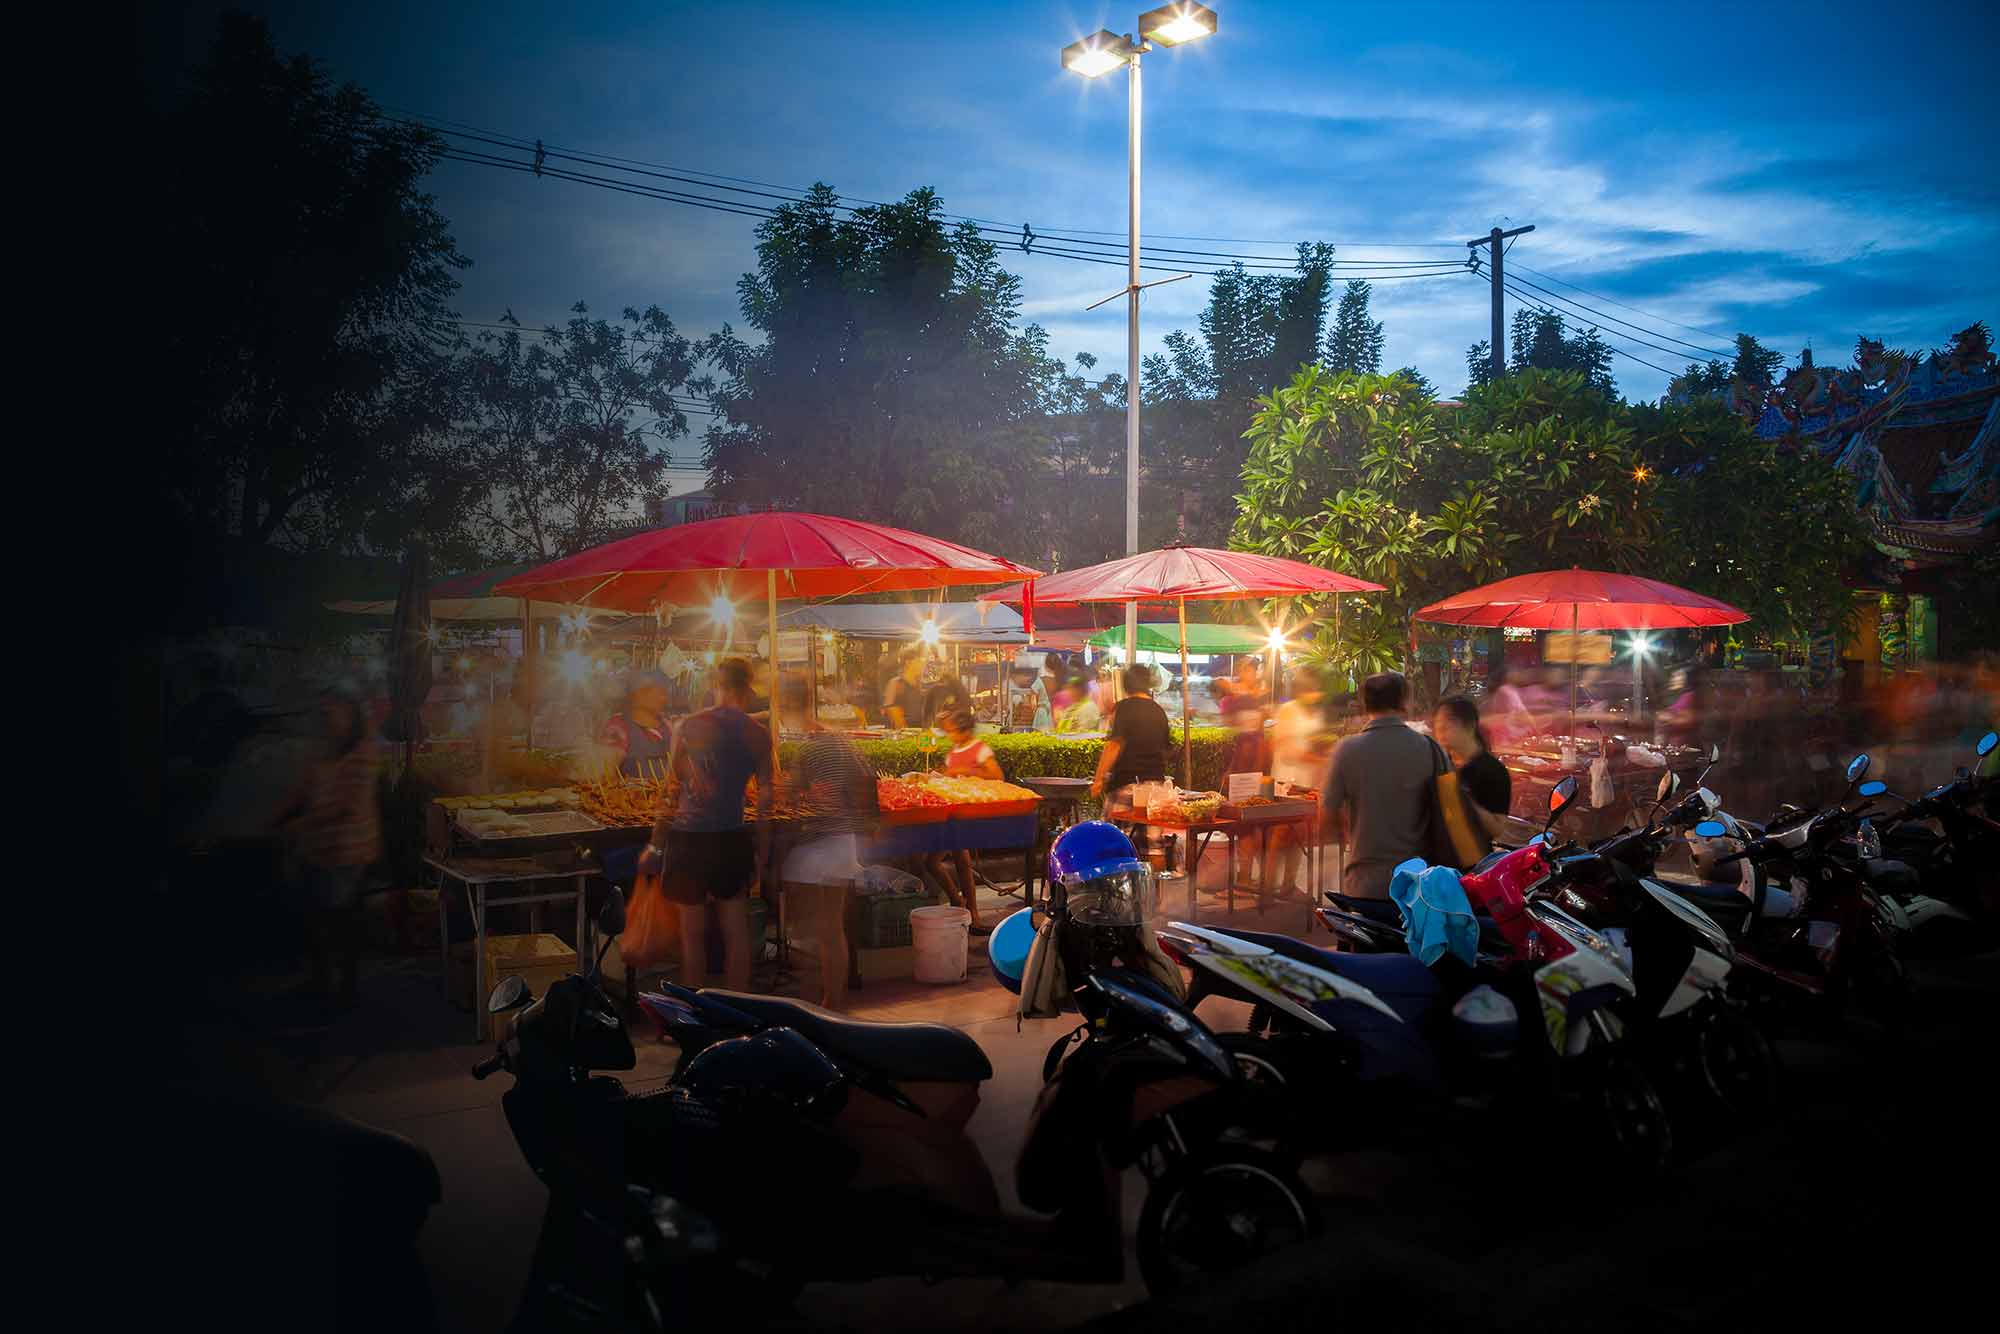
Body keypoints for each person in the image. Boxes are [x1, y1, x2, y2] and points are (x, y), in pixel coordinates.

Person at [639, 657, 772, 991]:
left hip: (688, 840)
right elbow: (766, 804)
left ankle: (694, 1014)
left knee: (691, 936)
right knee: (735, 932)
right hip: (732, 838)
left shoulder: (688, 726)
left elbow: (670, 791)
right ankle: (738, 1010)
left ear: (716, 685)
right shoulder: (758, 734)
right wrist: (763, 853)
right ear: (747, 689)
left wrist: (655, 845)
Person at [278, 685, 382, 1010]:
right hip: (315, 851)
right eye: (325, 711)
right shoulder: (319, 752)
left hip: (349, 852)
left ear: (352, 715)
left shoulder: (363, 753)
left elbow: (346, 807)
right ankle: (322, 983)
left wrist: (298, 824)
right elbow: (301, 791)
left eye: (336, 710)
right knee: (315, 922)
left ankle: (345, 990)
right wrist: (279, 817)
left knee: (340, 923)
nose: (329, 717)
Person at [778, 675, 878, 1009]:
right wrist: (867, 821)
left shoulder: (808, 745)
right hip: (842, 841)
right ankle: (831, 998)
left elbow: (793, 796)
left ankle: (820, 996)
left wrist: (786, 791)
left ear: (791, 705)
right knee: (831, 926)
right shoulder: (837, 741)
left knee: (817, 925)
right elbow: (867, 778)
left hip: (819, 842)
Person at [1320, 671, 1438, 901]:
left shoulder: (1347, 750)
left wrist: (1349, 834)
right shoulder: (1428, 748)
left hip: (1365, 881)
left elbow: (1326, 816)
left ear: (1364, 704)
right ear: (1404, 702)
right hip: (1417, 883)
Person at [927, 706, 1001, 934]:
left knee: (955, 862)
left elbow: (997, 776)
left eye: (951, 731)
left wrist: (967, 772)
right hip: (952, 811)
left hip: (970, 813)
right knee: (941, 862)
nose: (949, 735)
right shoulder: (953, 751)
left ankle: (971, 913)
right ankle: (960, 903)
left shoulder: (980, 749)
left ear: (964, 730)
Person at [1270, 666, 1330, 895]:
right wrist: (1321, 758)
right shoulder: (1288, 711)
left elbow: (1314, 741)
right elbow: (1287, 750)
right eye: (1310, 689)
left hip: (1307, 779)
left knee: (1300, 833)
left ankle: (1288, 883)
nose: (1314, 693)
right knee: (1281, 832)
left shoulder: (1315, 713)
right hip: (1286, 778)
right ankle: (1270, 884)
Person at [1433, 695, 1513, 850]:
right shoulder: (1440, 764)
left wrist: (1463, 799)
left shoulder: (1493, 770)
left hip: (1473, 862)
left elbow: (1497, 828)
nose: (1440, 732)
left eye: (1447, 725)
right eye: (1438, 726)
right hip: (1438, 861)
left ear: (1469, 726)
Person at [1092, 665, 1172, 802]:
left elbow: (1114, 745)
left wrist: (1098, 779)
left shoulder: (1124, 707)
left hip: (1128, 785)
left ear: (1126, 685)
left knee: (1112, 823)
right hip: (1156, 787)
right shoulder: (1159, 711)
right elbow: (1166, 750)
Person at [600, 670, 674, 779]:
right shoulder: (617, 726)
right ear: (636, 695)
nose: (663, 698)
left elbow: (681, 760)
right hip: (632, 794)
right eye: (658, 692)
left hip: (667, 793)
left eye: (664, 693)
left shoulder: (668, 725)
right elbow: (605, 770)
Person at [881, 651, 924, 729]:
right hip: (903, 734)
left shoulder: (919, 685)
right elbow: (890, 710)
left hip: (918, 732)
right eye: (919, 661)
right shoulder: (896, 683)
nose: (922, 665)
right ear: (908, 662)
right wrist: (904, 731)